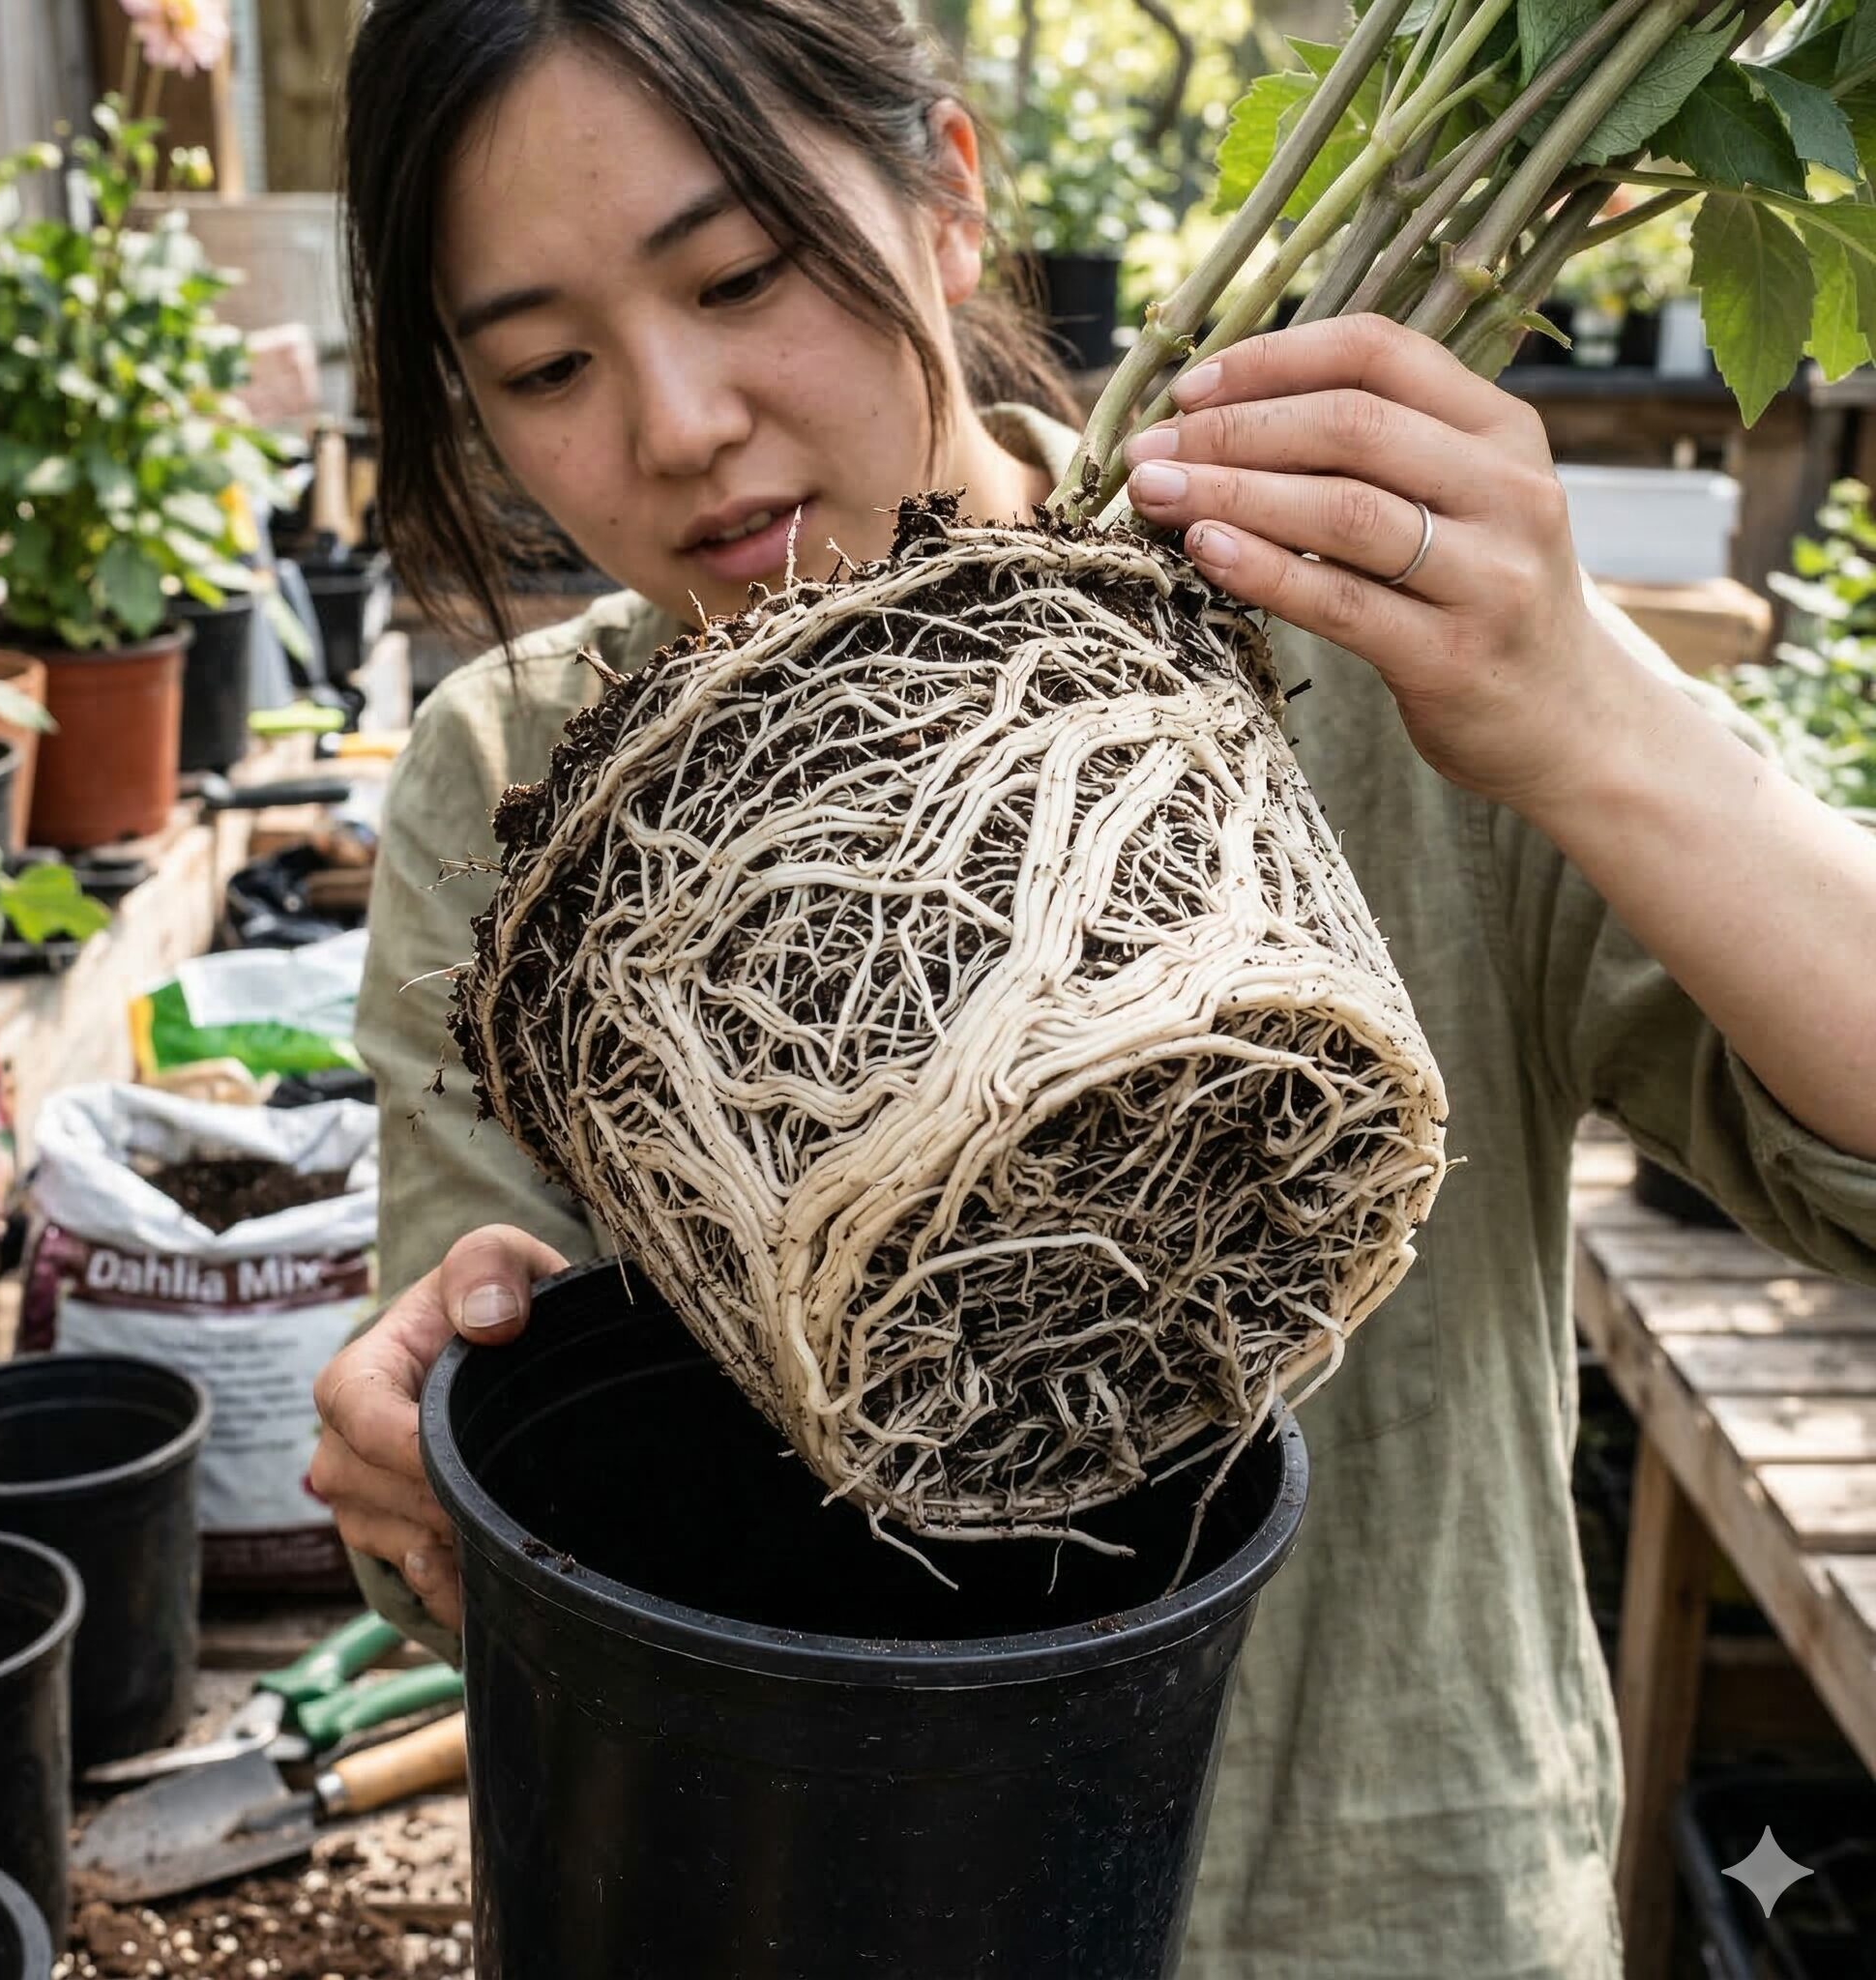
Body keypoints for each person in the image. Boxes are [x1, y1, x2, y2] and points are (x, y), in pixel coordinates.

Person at [309, 3, 1876, 1972]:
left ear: (946, 202)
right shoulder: (528, 797)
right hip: (820, 1902)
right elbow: (485, 1477)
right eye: (542, 364)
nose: (675, 419)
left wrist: (1588, 718)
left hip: (1384, 1898)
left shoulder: (1343, 645)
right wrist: (424, 1448)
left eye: (739, 272)